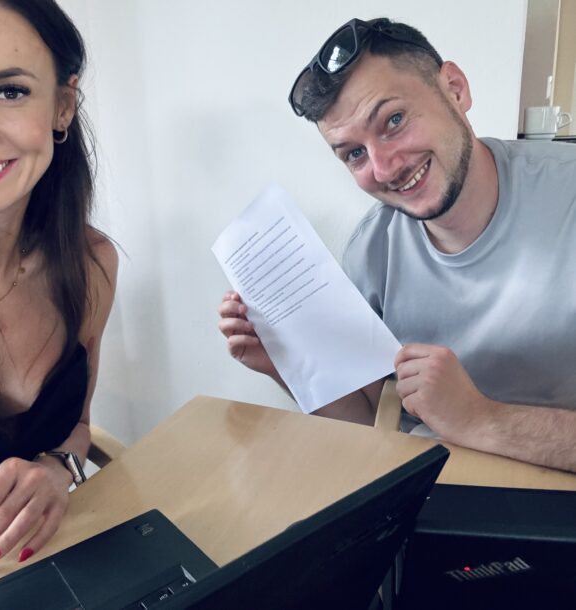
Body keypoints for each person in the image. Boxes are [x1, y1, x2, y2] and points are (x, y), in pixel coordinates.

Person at [218, 17, 576, 472]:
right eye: (354, 153)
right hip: (430, 493)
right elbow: (373, 422)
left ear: (455, 89)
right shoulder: (371, 250)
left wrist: (480, 419)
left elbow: (466, 421)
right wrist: (284, 362)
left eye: (394, 120)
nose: (384, 169)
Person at [0, 0, 117, 570]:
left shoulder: (92, 264)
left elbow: (76, 427)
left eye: (9, 91)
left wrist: (57, 469)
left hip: (53, 564)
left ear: (62, 106)